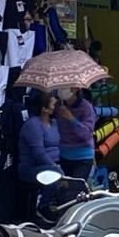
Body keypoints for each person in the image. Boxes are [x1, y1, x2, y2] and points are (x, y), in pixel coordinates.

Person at [18, 91, 62, 219]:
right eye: (54, 104)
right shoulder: (33, 125)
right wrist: (56, 167)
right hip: (32, 167)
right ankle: (43, 207)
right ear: (44, 109)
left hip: (54, 163)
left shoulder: (54, 124)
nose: (56, 107)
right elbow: (38, 153)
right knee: (56, 174)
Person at [57, 86, 97, 182]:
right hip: (64, 155)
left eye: (64, 87)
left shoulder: (86, 107)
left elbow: (87, 133)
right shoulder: (58, 107)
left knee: (76, 189)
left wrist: (71, 118)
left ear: (75, 89)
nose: (61, 91)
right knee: (65, 192)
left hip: (83, 156)